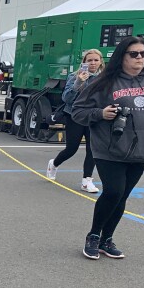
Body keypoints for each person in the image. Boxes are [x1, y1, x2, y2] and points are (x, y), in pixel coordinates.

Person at [71, 36, 144, 260]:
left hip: (141, 150)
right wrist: (100, 114)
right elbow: (78, 111)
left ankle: (107, 239)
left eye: (143, 54)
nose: (139, 58)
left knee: (122, 196)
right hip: (109, 149)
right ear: (121, 56)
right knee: (113, 191)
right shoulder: (103, 82)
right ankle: (94, 236)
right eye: (134, 54)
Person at [46, 49, 104, 192]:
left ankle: (87, 180)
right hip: (75, 116)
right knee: (71, 149)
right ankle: (54, 164)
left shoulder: (105, 78)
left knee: (93, 150)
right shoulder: (75, 76)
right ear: (84, 62)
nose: (93, 63)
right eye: (89, 60)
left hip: (94, 117)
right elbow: (66, 99)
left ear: (101, 62)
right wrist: (78, 82)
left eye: (96, 60)